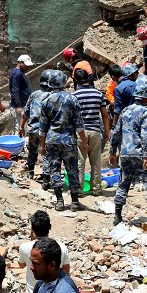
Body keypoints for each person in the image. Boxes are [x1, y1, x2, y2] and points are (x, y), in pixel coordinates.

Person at [110, 81, 147, 227]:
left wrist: (112, 152)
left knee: (123, 183)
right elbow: (145, 136)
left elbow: (116, 133)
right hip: (140, 154)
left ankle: (117, 216)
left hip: (125, 154)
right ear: (146, 99)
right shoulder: (146, 113)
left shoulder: (125, 111)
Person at [39, 70, 89, 212]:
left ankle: (59, 201)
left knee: (55, 170)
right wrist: (84, 142)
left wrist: (41, 146)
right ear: (63, 83)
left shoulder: (46, 101)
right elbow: (79, 124)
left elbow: (42, 127)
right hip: (68, 141)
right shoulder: (72, 99)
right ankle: (74, 202)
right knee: (72, 170)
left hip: (52, 140)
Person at [17, 211, 70, 293]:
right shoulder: (61, 247)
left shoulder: (24, 247)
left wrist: (31, 238)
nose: (32, 267)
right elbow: (66, 274)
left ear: (32, 229)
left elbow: (21, 265)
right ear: (50, 227)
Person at [73, 68, 109, 196]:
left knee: (80, 162)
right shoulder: (98, 94)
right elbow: (105, 115)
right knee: (96, 161)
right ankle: (97, 189)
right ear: (89, 79)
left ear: (76, 81)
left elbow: (72, 116)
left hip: (79, 133)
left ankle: (79, 189)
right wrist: (107, 131)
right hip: (95, 132)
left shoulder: (74, 96)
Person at [20, 71, 50, 182]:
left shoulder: (34, 94)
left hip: (33, 129)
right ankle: (46, 178)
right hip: (46, 131)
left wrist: (21, 127)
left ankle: (30, 173)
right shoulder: (52, 96)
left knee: (32, 151)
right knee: (46, 152)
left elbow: (25, 113)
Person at [10, 55, 34, 125]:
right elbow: (15, 90)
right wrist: (19, 106)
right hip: (20, 107)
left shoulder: (19, 73)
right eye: (26, 65)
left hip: (23, 105)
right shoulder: (17, 74)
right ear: (20, 63)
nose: (28, 67)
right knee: (20, 128)